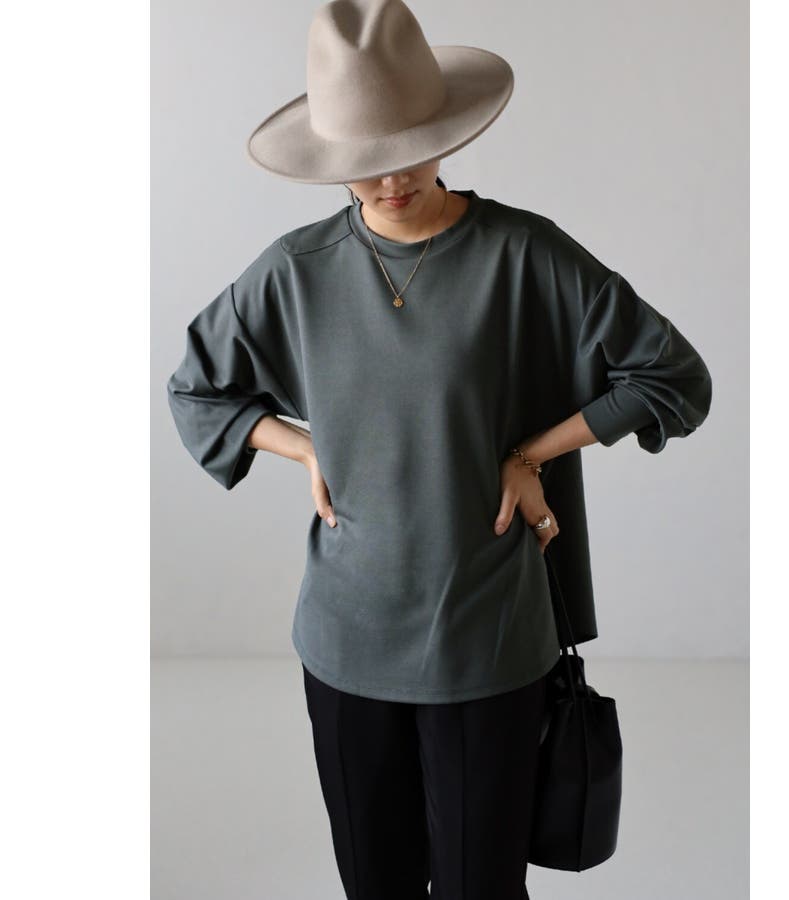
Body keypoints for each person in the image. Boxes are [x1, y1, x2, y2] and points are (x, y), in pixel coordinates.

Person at [165, 2, 713, 898]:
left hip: (486, 638)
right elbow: (197, 388)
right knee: (375, 883)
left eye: (409, 149)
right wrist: (301, 447)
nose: (389, 179)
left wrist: (532, 453)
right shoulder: (296, 270)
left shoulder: (524, 256)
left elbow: (673, 378)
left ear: (445, 132)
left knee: (479, 886)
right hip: (346, 639)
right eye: (364, 160)